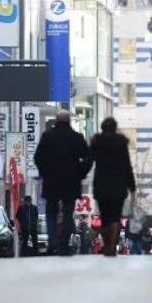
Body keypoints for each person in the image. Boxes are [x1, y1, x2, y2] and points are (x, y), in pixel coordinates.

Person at [34, 110, 89, 256]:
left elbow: (38, 157)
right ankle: (64, 245)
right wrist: (81, 172)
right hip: (71, 181)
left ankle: (53, 241)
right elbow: (88, 157)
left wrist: (44, 171)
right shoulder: (77, 137)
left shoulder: (47, 137)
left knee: (51, 212)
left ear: (56, 121)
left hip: (51, 180)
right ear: (69, 121)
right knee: (68, 212)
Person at [83, 117, 136, 258]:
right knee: (115, 217)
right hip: (119, 185)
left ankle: (107, 246)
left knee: (105, 217)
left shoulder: (97, 143)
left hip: (102, 184)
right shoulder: (121, 143)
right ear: (114, 127)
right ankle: (111, 246)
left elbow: (88, 162)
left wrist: (79, 174)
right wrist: (132, 186)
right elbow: (126, 166)